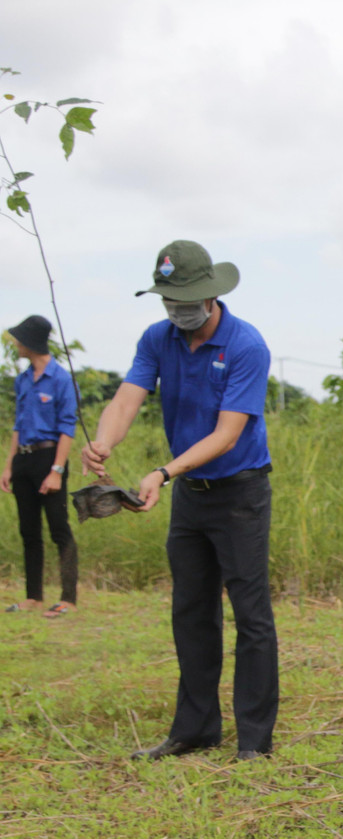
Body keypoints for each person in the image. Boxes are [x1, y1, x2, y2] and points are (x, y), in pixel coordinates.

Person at [80, 239, 279, 762]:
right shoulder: (157, 339)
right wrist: (104, 440)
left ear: (211, 295)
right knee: (191, 611)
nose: (178, 310)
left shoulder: (246, 345)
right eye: (169, 299)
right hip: (192, 496)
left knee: (251, 615)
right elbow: (127, 398)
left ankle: (255, 742)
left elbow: (227, 434)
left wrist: (163, 472)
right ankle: (195, 730)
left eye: (186, 299)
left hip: (240, 494)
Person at [2, 315, 79, 618]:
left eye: (20, 339)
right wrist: (8, 466)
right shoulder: (22, 380)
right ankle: (33, 597)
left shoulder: (60, 379)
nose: (16, 343)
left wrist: (57, 471)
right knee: (28, 531)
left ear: (32, 341)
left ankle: (68, 598)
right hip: (23, 459)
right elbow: (18, 426)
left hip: (50, 459)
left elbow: (67, 428)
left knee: (59, 529)